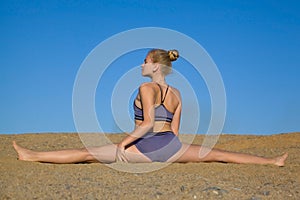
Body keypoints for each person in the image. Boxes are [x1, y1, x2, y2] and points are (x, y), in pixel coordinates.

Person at [13, 49, 288, 166]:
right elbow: (176, 132)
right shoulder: (177, 93)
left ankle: (32, 156)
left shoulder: (146, 88)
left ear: (156, 65)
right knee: (219, 154)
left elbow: (145, 125)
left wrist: (123, 144)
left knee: (87, 154)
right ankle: (272, 162)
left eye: (145, 61)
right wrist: (171, 152)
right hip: (171, 146)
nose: (142, 65)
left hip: (149, 146)